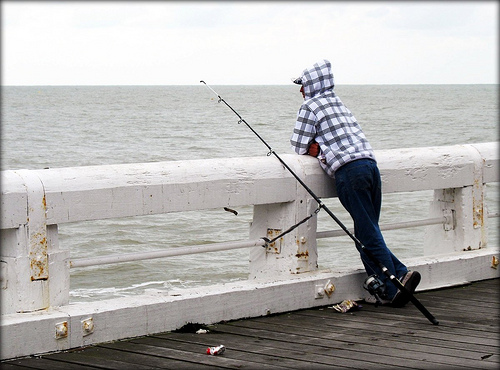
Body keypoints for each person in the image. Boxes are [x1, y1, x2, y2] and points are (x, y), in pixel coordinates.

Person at [290, 59, 420, 307]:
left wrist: (316, 150)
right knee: (368, 229)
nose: (300, 90)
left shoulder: (310, 106)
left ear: (313, 85)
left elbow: (297, 145)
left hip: (349, 172)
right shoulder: (339, 103)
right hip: (371, 168)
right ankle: (400, 274)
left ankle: (393, 287)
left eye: (303, 84)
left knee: (366, 233)